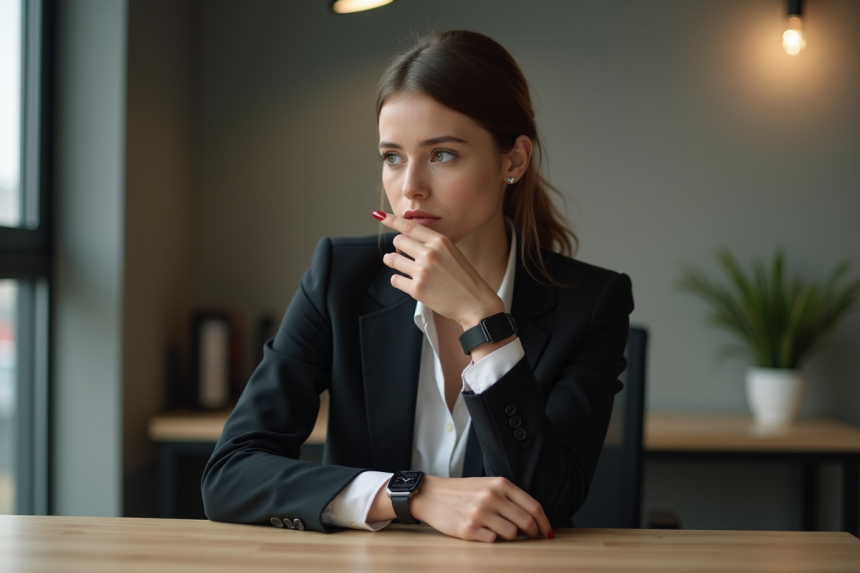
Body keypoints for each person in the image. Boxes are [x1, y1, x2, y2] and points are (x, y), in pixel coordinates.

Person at [202, 29, 634, 543]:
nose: (410, 187)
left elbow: (546, 501)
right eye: (393, 157)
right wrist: (413, 494)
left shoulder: (590, 304)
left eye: (443, 154)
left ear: (513, 160)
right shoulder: (339, 276)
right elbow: (230, 474)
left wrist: (485, 323)